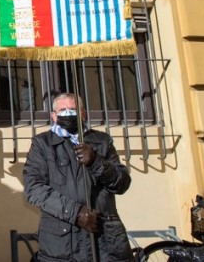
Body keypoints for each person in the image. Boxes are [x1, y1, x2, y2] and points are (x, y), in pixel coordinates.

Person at [23, 92, 133, 262]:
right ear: (54, 116)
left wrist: (96, 162)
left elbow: (122, 183)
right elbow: (34, 189)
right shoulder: (43, 144)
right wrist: (75, 213)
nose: (68, 113)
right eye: (63, 110)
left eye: (73, 109)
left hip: (105, 240)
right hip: (62, 243)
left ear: (83, 113)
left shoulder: (102, 141)